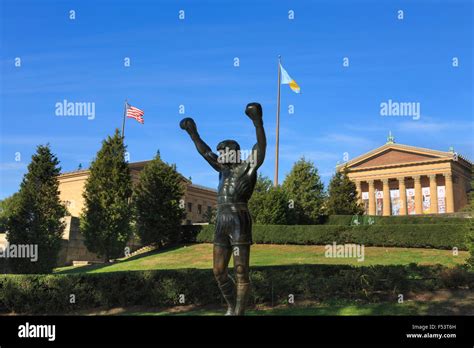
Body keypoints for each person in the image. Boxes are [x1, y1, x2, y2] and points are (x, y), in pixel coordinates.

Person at [180, 102, 266, 315]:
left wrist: (257, 121)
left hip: (239, 217)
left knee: (240, 270)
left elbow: (261, 146)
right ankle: (231, 306)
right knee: (218, 271)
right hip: (222, 218)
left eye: (223, 152)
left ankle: (239, 312)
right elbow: (205, 152)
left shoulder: (248, 167)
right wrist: (193, 132)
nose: (219, 156)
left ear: (233, 153)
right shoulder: (222, 170)